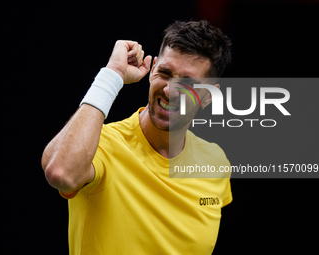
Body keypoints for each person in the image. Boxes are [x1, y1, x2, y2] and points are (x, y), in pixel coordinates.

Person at [41, 20, 232, 254]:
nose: (170, 90)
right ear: (152, 71)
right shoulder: (102, 143)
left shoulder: (215, 161)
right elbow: (60, 173)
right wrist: (111, 76)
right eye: (165, 72)